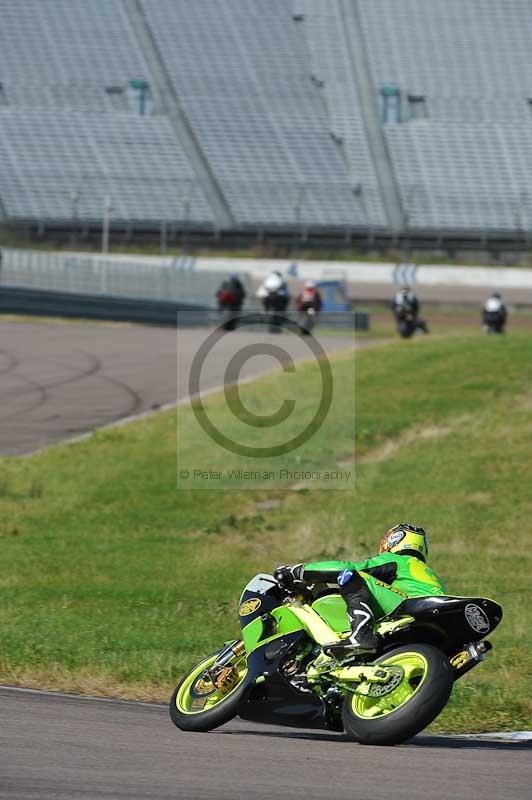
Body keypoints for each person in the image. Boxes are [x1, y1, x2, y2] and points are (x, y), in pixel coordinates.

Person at [275, 522, 446, 660]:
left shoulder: (399, 560)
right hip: (430, 621)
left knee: (351, 576)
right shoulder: (429, 574)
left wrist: (296, 571)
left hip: (408, 607)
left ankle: (361, 635)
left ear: (393, 540)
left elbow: (347, 568)